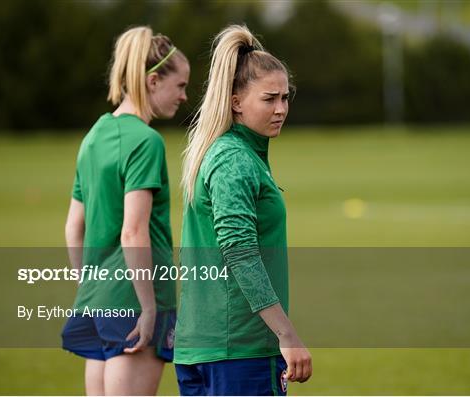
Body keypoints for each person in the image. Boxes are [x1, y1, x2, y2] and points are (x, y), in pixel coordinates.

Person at [174, 24, 311, 396]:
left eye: (285, 97)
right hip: (238, 350)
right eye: (269, 99)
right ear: (236, 101)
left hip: (205, 346)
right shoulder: (234, 160)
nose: (281, 108)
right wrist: (287, 333)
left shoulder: (233, 154)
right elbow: (239, 252)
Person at [62, 26, 189, 395]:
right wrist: (148, 308)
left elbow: (73, 227)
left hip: (98, 299)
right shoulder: (146, 142)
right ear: (153, 81)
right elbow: (134, 231)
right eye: (180, 86)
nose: (184, 96)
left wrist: (91, 285)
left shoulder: (94, 136)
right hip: (136, 298)